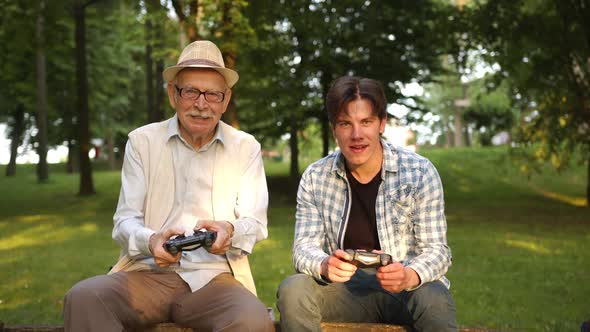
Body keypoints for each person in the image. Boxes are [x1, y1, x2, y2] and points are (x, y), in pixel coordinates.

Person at [64, 40, 274, 332]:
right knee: (84, 298)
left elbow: (255, 222)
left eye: (212, 94)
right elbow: (124, 221)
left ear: (225, 100)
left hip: (216, 278)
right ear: (173, 94)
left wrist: (230, 230)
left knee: (251, 319)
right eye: (191, 91)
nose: (201, 104)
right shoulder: (142, 141)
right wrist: (152, 240)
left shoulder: (245, 147)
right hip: (149, 273)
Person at [277, 76, 457, 332]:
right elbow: (303, 248)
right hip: (343, 290)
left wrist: (409, 275)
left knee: (435, 297)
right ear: (334, 129)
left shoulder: (419, 171)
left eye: (366, 122)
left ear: (382, 123)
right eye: (345, 123)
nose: (356, 134)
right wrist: (325, 265)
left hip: (405, 290)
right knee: (293, 288)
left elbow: (437, 251)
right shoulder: (316, 177)